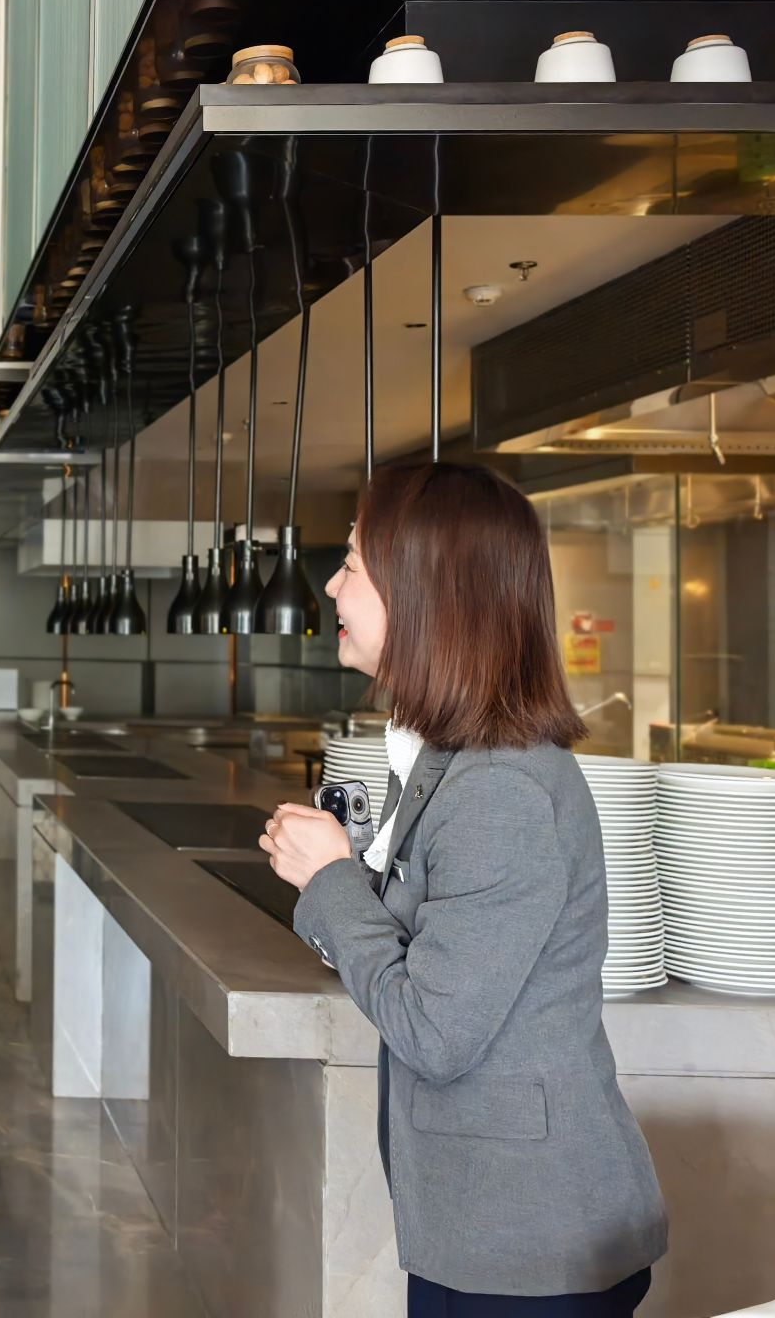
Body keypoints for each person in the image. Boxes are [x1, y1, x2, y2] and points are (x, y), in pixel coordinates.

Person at [260, 463, 668, 1317]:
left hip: (529, 1245)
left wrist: (331, 878)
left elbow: (434, 1030)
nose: (332, 586)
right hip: (486, 1227)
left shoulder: (499, 791)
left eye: (353, 565)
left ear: (425, 594)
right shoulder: (451, 761)